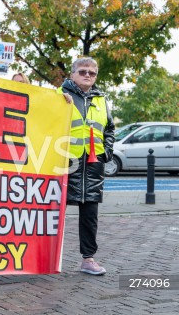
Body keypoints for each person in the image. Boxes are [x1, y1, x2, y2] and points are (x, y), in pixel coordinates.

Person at [58, 57, 115, 276]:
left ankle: (88, 259)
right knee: (54, 212)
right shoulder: (58, 95)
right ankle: (48, 256)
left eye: (92, 72)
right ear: (72, 74)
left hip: (93, 165)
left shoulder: (101, 99)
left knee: (90, 215)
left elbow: (109, 127)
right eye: (83, 71)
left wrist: (106, 151)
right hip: (65, 163)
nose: (88, 75)